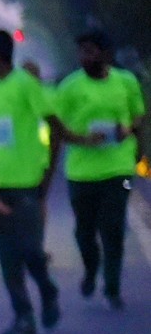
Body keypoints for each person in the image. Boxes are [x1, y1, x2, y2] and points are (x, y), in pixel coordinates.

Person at [0, 28, 61, 334]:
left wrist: (47, 175)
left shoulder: (25, 84)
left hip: (25, 183)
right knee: (7, 255)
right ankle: (23, 315)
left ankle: (47, 289)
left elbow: (54, 125)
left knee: (30, 250)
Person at [50, 29, 145, 311]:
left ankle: (112, 286)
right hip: (81, 173)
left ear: (106, 54)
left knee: (113, 227)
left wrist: (128, 130)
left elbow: (139, 115)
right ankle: (91, 268)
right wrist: (82, 139)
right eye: (81, 52)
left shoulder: (126, 81)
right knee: (85, 231)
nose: (85, 57)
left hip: (119, 170)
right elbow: (57, 126)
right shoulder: (70, 87)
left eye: (90, 51)